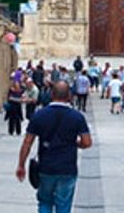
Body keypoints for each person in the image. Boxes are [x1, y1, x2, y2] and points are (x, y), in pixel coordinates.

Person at [17, 81, 92, 213]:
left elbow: (27, 142)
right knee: (63, 204)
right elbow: (87, 142)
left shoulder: (39, 115)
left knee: (45, 201)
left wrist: (21, 165)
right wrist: (74, 143)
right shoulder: (77, 117)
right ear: (69, 95)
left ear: (52, 94)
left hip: (46, 167)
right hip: (67, 168)